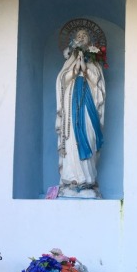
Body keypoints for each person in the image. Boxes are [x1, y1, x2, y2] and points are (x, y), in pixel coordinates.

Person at [55, 27, 106, 199]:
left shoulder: (94, 62)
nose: (81, 38)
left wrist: (84, 67)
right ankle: (72, 181)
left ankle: (88, 181)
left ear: (90, 42)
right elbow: (61, 81)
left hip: (88, 105)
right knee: (71, 141)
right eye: (78, 36)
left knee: (90, 137)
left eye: (84, 36)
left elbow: (98, 82)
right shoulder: (69, 60)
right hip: (71, 107)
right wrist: (74, 68)